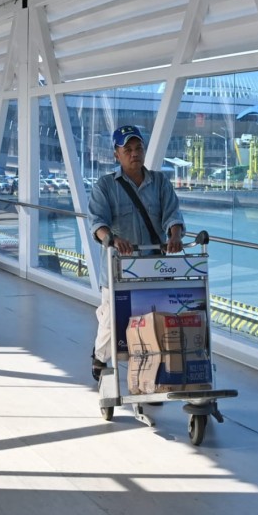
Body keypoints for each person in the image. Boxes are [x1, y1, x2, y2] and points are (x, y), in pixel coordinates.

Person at [87, 124, 185, 380]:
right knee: (112, 322)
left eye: (138, 148)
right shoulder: (105, 186)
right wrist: (112, 238)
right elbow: (97, 222)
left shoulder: (160, 182)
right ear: (116, 154)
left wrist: (174, 235)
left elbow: (172, 214)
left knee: (153, 322)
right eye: (127, 149)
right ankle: (99, 356)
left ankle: (150, 374)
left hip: (153, 269)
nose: (134, 154)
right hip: (118, 268)